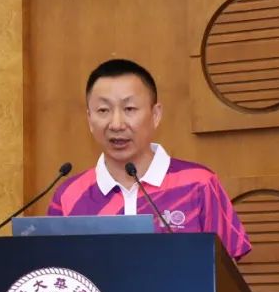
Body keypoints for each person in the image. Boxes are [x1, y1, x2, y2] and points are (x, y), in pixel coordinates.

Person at [47, 58, 251, 261]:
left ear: (155, 115)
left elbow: (225, 270)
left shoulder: (199, 184)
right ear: (90, 119)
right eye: (103, 110)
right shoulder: (69, 195)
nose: (116, 124)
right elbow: (53, 269)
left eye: (129, 109)